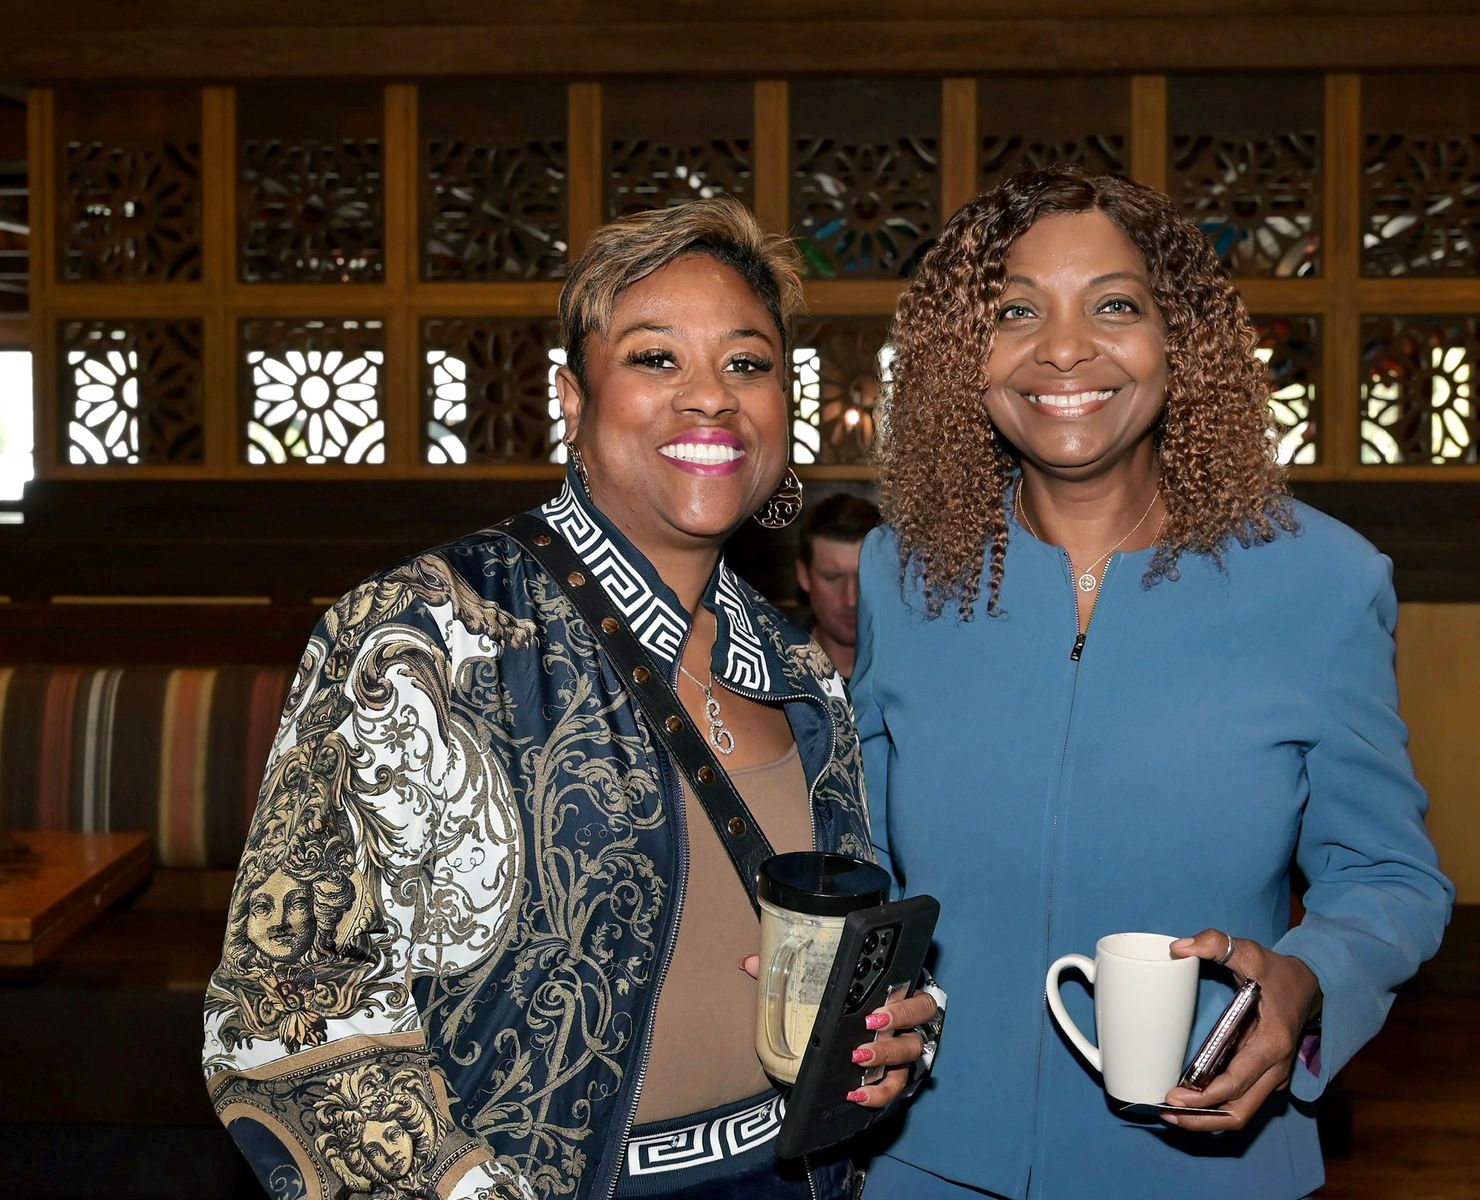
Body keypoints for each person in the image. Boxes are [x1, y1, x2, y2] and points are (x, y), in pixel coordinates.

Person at [203, 197, 937, 1200]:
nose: (710, 397)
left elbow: (845, 940)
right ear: (572, 397)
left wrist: (890, 1031)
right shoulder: (428, 632)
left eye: (747, 363)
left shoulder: (799, 670)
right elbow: (286, 1013)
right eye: (655, 358)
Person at [850, 167, 1454, 1199]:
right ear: (963, 355)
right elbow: (860, 853)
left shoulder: (1321, 581)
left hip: (1207, 1161)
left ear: (1181, 342)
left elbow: (1390, 877)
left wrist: (1309, 978)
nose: (1064, 348)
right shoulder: (901, 576)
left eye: (1115, 305)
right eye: (1015, 310)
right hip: (928, 1156)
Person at [793, 492, 882, 676]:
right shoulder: (775, 670)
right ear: (804, 575)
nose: (851, 600)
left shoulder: (920, 669)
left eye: (864, 578)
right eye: (832, 577)